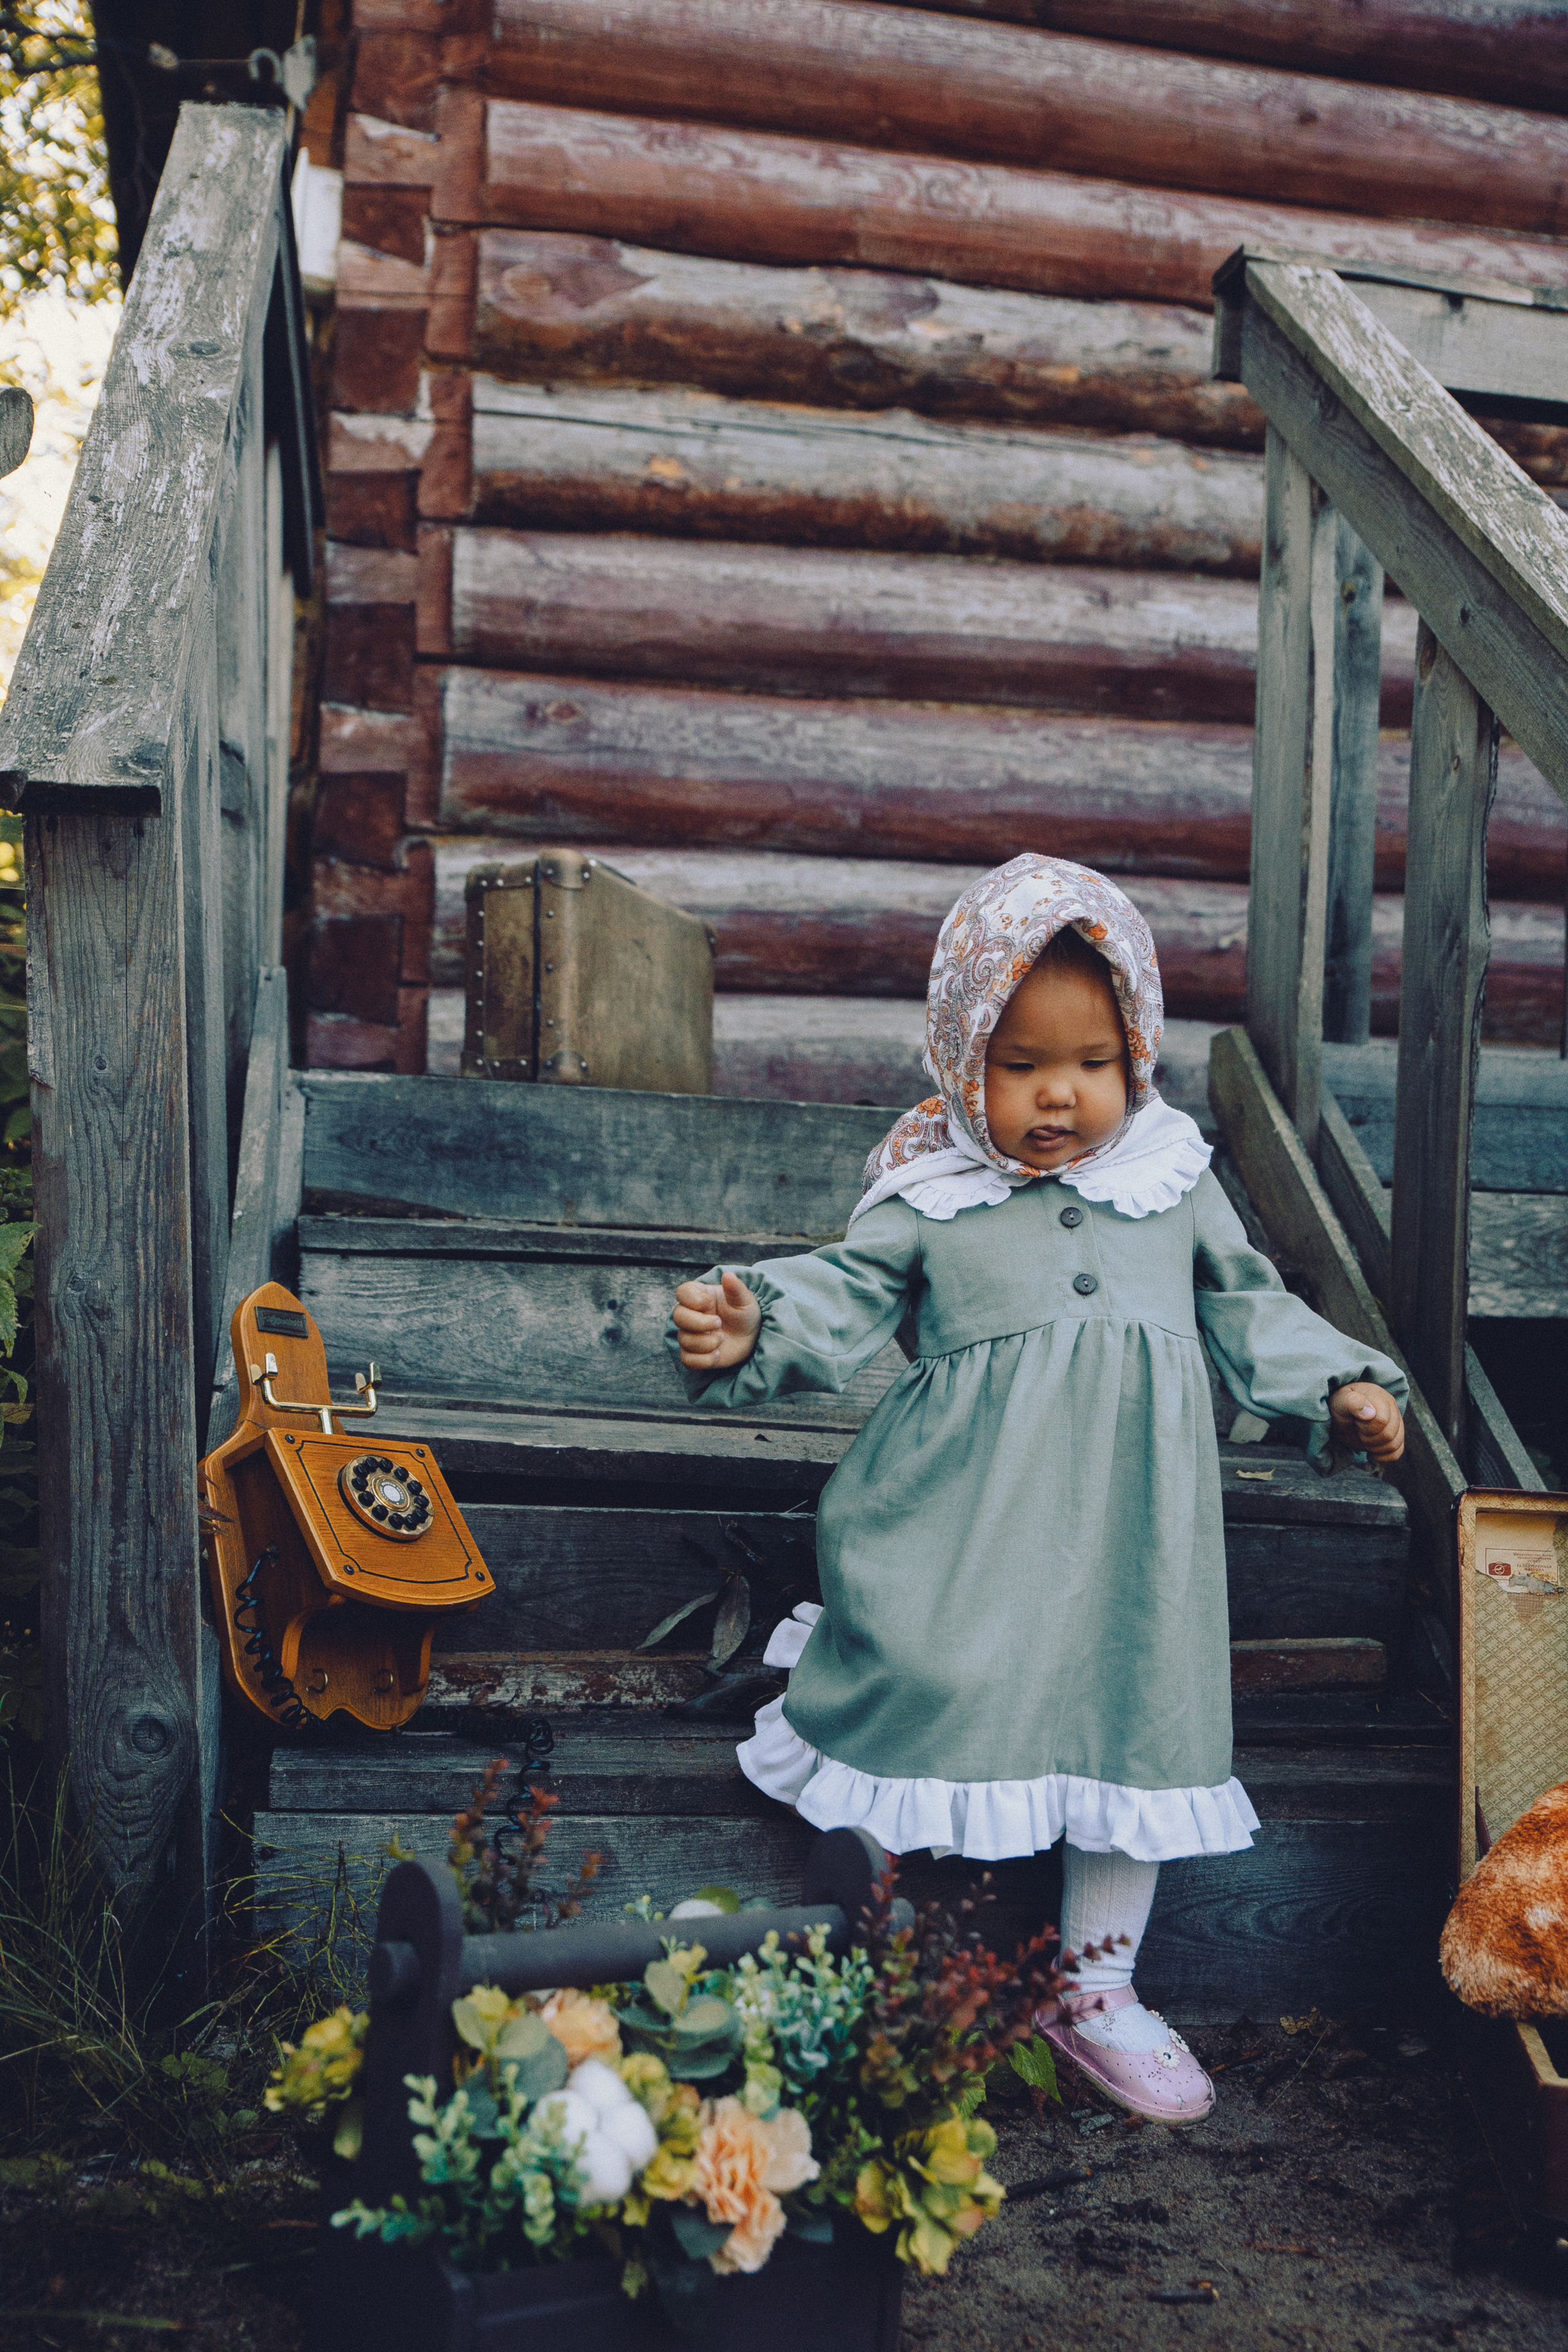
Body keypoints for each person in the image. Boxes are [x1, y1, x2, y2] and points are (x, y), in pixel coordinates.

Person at [668, 856, 1406, 2123]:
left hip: (1132, 1540)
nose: (1056, 1093)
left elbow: (1245, 1309)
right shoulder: (933, 1190)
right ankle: (879, 1965)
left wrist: (1337, 1384)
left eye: (1089, 1060)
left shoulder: (1169, 1178)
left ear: (1137, 1056)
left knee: (1135, 1718)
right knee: (933, 1691)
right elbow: (845, 1292)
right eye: (1015, 1064)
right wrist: (756, 1322)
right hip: (960, 1522)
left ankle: (1093, 1987)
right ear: (961, 1060)